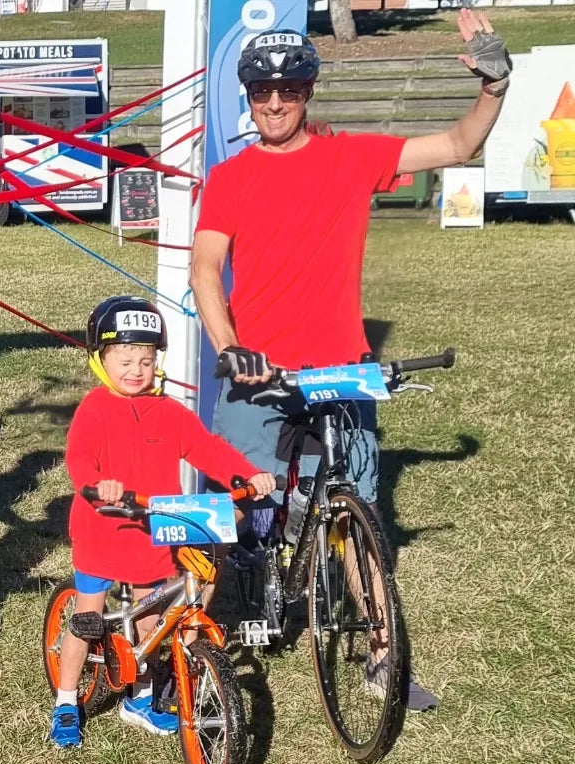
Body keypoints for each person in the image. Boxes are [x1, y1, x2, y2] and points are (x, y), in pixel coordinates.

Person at [189, 11, 510, 712]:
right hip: (258, 374)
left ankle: (381, 656)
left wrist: (493, 87)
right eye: (260, 92)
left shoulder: (350, 156)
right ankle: (215, 639)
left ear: (308, 90)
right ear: (246, 96)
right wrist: (229, 347)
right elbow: (206, 269)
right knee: (241, 511)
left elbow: (458, 144)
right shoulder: (232, 176)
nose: (274, 103)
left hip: (340, 367)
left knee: (359, 510)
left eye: (290, 89)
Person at [51, 296, 273, 748]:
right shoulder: (94, 409)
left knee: (153, 623)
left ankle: (140, 700)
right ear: (101, 360)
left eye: (146, 360)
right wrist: (98, 484)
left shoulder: (169, 412)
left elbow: (207, 448)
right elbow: (79, 459)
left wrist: (246, 473)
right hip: (101, 529)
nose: (136, 369)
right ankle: (66, 699)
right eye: (125, 359)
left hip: (153, 533)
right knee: (88, 618)